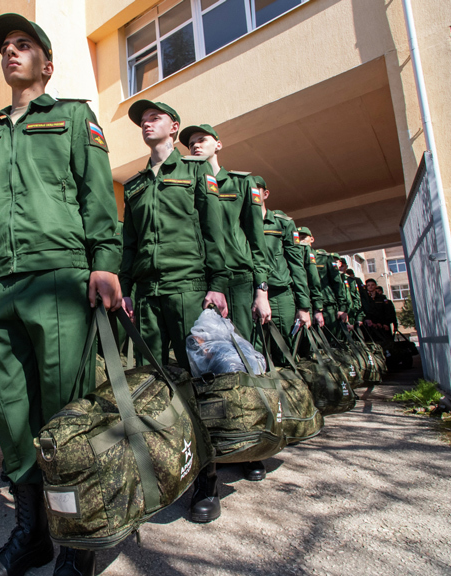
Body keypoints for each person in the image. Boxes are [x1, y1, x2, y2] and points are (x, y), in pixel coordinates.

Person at [0, 14, 122, 576]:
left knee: (65, 412)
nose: (10, 52)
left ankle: (78, 541)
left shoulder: (73, 117)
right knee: (13, 415)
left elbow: (96, 195)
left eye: (23, 45)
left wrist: (104, 263)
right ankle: (32, 535)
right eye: (5, 46)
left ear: (46, 64)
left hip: (58, 277)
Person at [118, 100, 228, 525]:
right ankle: (165, 471)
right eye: (142, 120)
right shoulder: (134, 184)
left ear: (174, 127)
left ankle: (207, 479)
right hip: (147, 294)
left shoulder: (196, 172)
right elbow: (129, 243)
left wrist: (218, 283)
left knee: (196, 384)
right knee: (152, 384)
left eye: (155, 118)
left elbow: (213, 228)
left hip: (189, 288)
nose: (147, 123)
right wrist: (126, 288)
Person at [179, 123, 272, 486]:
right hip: (203, 281)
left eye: (201, 139)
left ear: (218, 144)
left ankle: (253, 445)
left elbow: (256, 239)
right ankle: (217, 444)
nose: (195, 145)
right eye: (190, 142)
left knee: (245, 362)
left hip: (238, 280)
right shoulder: (187, 181)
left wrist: (261, 290)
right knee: (206, 363)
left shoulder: (241, 183)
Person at [255, 177, 311, 358]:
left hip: (279, 295)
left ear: (265, 194)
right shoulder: (239, 221)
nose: (251, 195)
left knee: (284, 353)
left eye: (256, 190)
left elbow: (297, 265)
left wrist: (304, 307)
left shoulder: (282, 223)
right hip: (250, 293)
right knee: (256, 356)